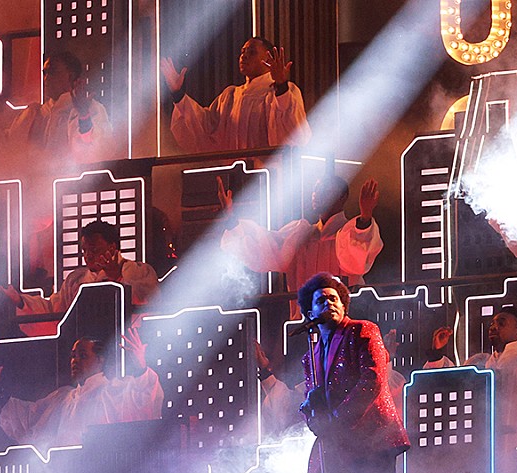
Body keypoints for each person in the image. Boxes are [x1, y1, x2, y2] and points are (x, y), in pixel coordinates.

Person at [296, 273, 409, 473]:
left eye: (334, 298)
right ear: (310, 313)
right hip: (336, 445)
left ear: (344, 305)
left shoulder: (362, 330)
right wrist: (313, 419)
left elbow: (373, 379)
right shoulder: (310, 356)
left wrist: (336, 419)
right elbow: (310, 399)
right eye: (321, 300)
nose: (329, 303)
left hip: (371, 440)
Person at [0, 328, 164, 451]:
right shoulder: (63, 397)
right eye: (73, 355)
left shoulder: (114, 390)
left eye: (83, 355)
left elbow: (145, 399)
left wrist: (141, 367)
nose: (75, 361)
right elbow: (28, 417)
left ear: (100, 360)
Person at [219, 175, 383, 312]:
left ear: (342, 196)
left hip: (344, 322)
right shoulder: (299, 235)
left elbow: (356, 263)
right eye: (315, 189)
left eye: (324, 189)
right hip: (305, 322)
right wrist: (231, 220)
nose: (316, 194)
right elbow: (265, 249)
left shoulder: (349, 234)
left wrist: (365, 217)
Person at [161, 37, 311, 153]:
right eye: (242, 52)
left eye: (251, 52)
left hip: (270, 176)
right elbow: (204, 128)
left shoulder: (283, 91)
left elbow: (295, 134)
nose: (244, 56)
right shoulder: (230, 96)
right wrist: (178, 94)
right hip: (234, 176)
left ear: (268, 59)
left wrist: (281, 86)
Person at [0, 51, 113, 163]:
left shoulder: (91, 108)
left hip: (69, 191)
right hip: (33, 191)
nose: (46, 78)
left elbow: (96, 149)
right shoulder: (35, 114)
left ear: (71, 76)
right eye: (44, 73)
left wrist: (84, 115)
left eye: (52, 72)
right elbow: (6, 146)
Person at [0, 220, 158, 316]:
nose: (88, 256)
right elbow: (54, 310)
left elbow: (147, 305)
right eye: (84, 250)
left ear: (112, 247)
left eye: (94, 250)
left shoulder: (139, 272)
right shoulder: (76, 280)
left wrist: (114, 275)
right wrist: (20, 300)